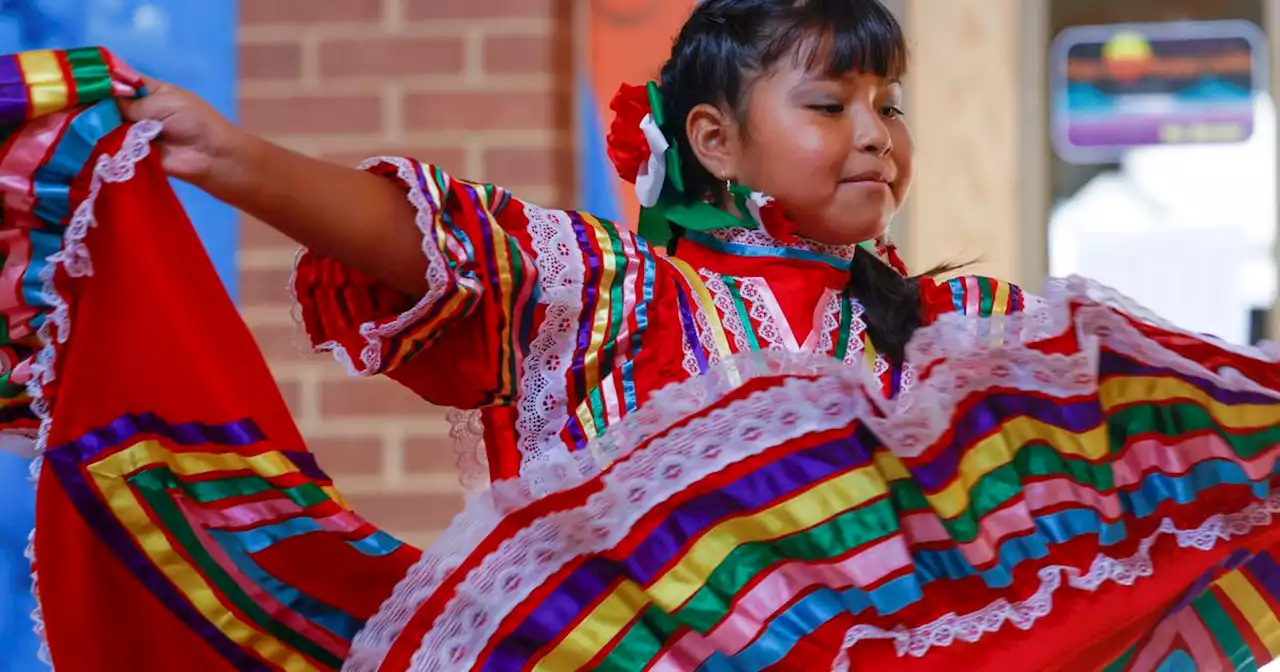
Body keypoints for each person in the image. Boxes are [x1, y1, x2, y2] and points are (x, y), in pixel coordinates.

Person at [6, 1, 1280, 670]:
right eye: (829, 99)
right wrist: (230, 156)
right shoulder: (612, 298)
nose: (874, 131)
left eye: (889, 103)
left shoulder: (956, 331)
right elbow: (426, 238)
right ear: (715, 140)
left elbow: (1132, 435)